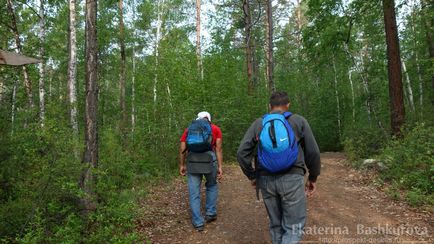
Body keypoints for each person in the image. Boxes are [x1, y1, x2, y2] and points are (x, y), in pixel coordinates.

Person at [237, 91, 321, 243]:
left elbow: (241, 153)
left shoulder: (259, 123)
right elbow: (313, 152)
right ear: (288, 105)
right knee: (293, 227)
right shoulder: (298, 121)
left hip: (266, 180)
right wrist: (313, 177)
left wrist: (253, 175)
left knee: (276, 226)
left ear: (270, 106)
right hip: (293, 178)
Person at [179, 111, 223, 231]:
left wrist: (182, 165)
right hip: (209, 160)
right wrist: (220, 166)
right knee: (212, 185)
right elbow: (218, 149)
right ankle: (210, 213)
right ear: (209, 119)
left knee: (194, 192)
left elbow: (183, 148)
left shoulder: (189, 129)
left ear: (197, 119)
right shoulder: (215, 129)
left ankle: (198, 222)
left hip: (193, 161)